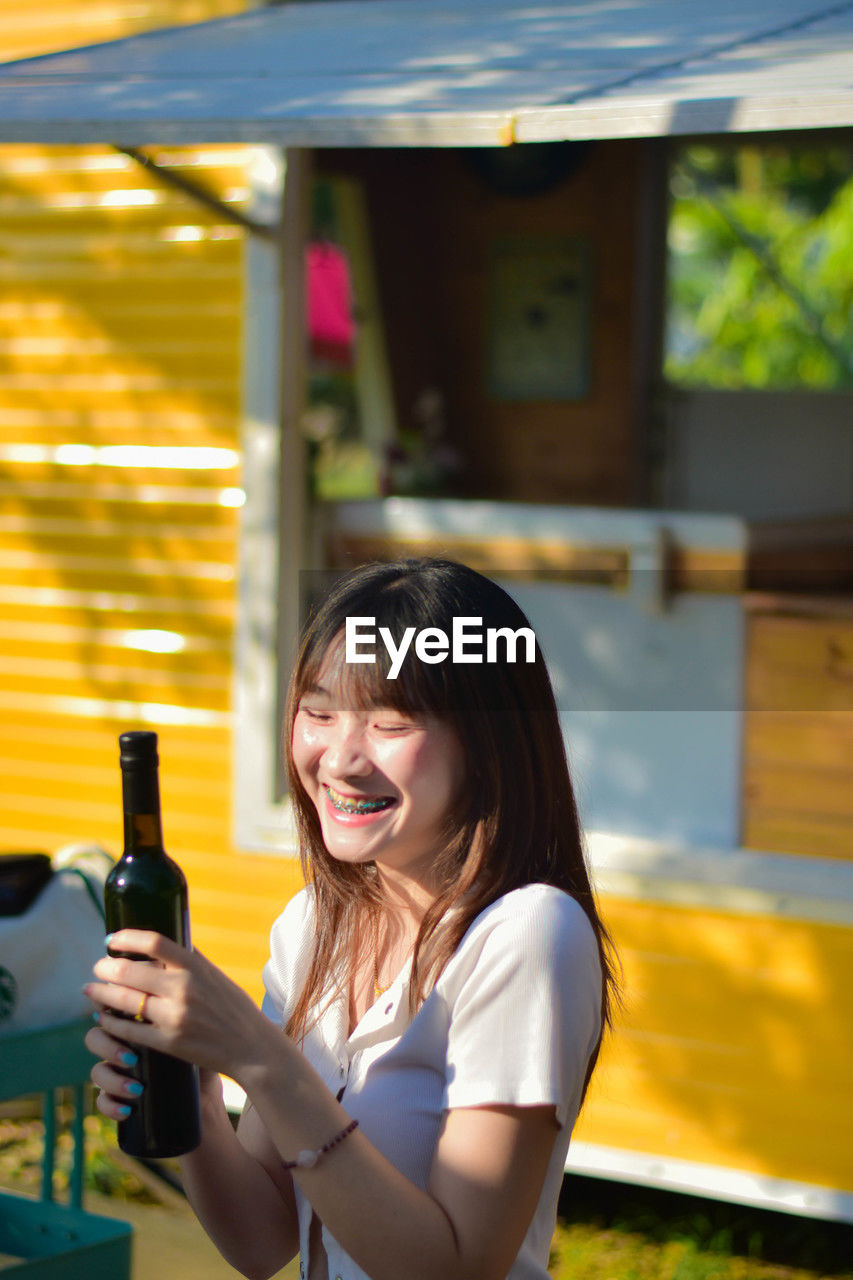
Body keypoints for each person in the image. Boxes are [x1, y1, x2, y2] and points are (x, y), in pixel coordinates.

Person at [85, 558, 619, 1280]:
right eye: (319, 711)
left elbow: (457, 1268)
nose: (339, 758)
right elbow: (264, 1239)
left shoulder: (526, 934)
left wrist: (260, 1059)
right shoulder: (310, 925)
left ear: (487, 739)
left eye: (390, 721)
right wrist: (196, 1095)